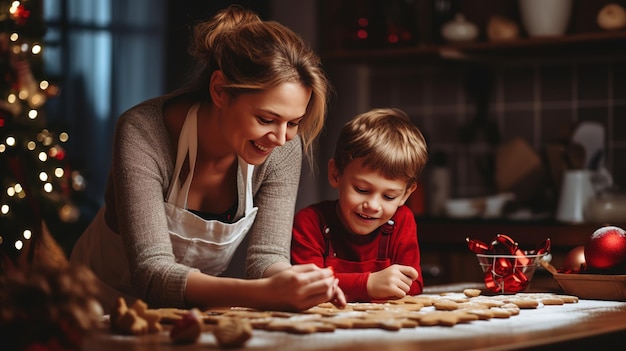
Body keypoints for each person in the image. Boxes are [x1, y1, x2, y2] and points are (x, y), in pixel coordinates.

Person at [70, 4, 346, 313]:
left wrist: (293, 282)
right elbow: (152, 272)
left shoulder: (280, 149)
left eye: (294, 123)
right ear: (219, 91)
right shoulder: (144, 131)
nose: (282, 138)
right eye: (266, 119)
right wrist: (263, 294)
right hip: (95, 303)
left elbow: (266, 258)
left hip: (190, 311)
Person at [291, 108, 428, 302]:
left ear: (406, 194)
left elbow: (414, 284)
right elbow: (307, 286)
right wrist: (368, 284)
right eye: (362, 190)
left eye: (389, 197)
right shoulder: (310, 223)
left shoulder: (402, 221)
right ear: (335, 174)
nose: (372, 205)